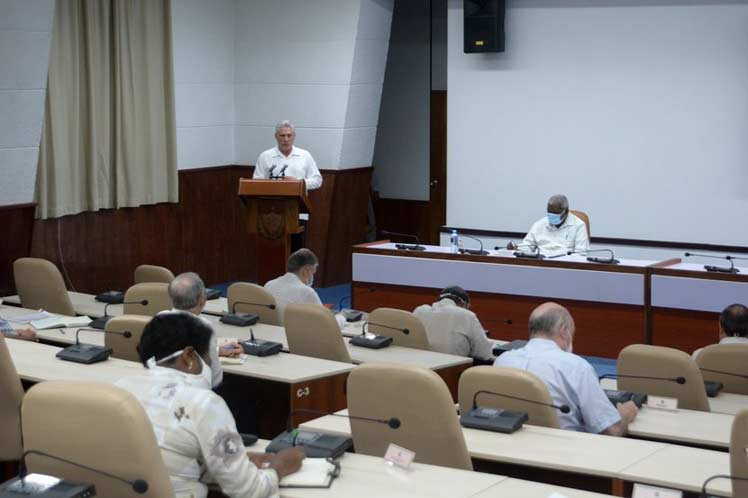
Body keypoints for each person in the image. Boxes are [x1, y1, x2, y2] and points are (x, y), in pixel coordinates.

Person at [117, 313, 304, 497]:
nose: (210, 365)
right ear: (189, 356)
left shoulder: (119, 390)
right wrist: (281, 466)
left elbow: (167, 455)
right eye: (208, 358)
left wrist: (234, 462)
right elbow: (250, 491)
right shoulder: (202, 402)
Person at [494, 302, 638, 436]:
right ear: (564, 331)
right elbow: (612, 431)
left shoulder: (503, 360)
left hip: (508, 448)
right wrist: (626, 414)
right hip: (563, 454)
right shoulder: (576, 367)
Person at [167, 272, 242, 388]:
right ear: (202, 300)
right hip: (195, 397)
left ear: (171, 299)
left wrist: (216, 350)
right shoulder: (203, 327)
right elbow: (215, 379)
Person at [413, 286, 494, 361]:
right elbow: (484, 353)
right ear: (463, 304)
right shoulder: (466, 315)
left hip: (419, 367)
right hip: (451, 370)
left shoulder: (419, 311)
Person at [510, 194, 589, 256]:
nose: (552, 216)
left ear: (566, 211)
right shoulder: (539, 224)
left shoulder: (578, 225)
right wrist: (517, 248)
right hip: (541, 264)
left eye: (556, 213)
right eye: (550, 213)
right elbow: (527, 246)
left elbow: (581, 254)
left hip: (565, 266)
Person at [253, 120, 322, 191]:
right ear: (276, 136)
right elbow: (256, 182)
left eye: (289, 135)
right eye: (282, 135)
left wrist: (299, 183)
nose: (286, 139)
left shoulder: (305, 155)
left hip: (298, 200)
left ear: (294, 136)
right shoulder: (265, 156)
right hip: (271, 199)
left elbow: (317, 180)